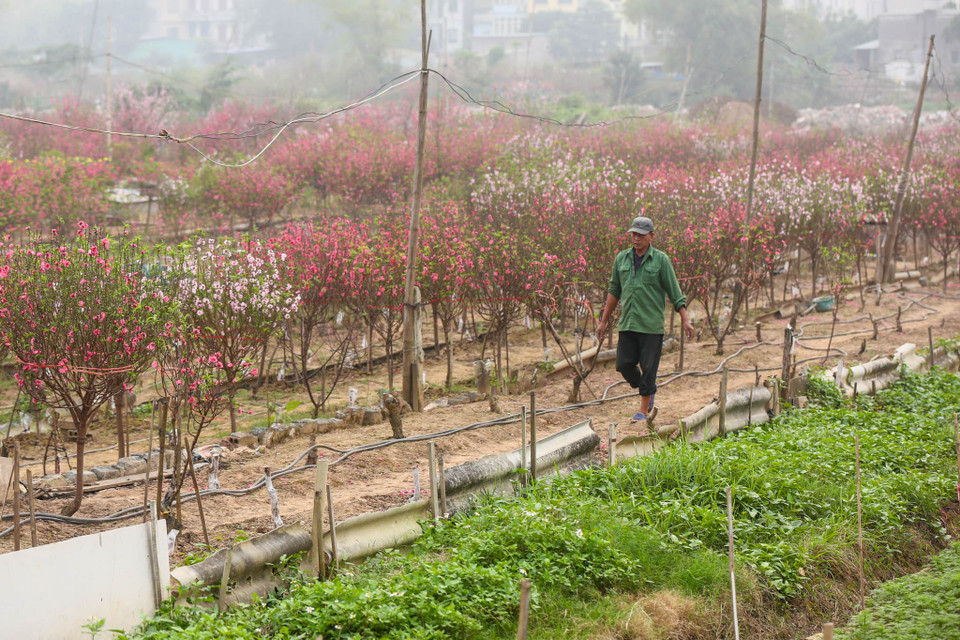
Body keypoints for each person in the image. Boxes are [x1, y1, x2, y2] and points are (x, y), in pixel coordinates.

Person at [597, 215, 694, 422]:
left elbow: (675, 292)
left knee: (649, 369)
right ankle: (647, 388)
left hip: (651, 326)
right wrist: (604, 321)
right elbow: (614, 290)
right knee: (623, 364)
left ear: (651, 236)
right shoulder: (621, 259)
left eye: (641, 235)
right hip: (628, 322)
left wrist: (685, 320)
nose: (636, 238)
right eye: (634, 234)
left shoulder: (661, 260)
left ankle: (643, 410)